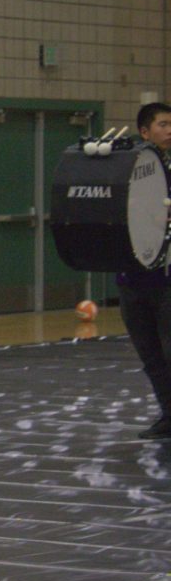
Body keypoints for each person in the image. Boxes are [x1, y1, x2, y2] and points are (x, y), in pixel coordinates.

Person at [117, 101, 171, 440]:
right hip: (131, 278)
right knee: (150, 355)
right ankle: (169, 414)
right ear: (144, 131)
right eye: (163, 124)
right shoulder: (125, 169)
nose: (170, 130)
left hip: (167, 279)